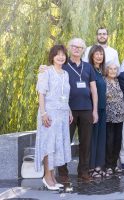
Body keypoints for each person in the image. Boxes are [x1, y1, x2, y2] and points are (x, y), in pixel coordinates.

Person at [58, 38, 98, 182]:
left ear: (83, 50)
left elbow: (94, 90)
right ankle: (63, 172)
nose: (76, 49)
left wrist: (95, 111)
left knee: (85, 142)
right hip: (67, 110)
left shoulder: (88, 67)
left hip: (87, 109)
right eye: (74, 46)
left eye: (80, 47)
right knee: (65, 141)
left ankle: (83, 171)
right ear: (69, 48)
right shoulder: (63, 65)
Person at [35, 45, 72, 190]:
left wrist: (68, 110)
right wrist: (43, 113)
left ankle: (53, 176)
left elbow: (65, 96)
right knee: (48, 144)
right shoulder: (46, 71)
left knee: (56, 146)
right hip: (49, 113)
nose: (61, 57)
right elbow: (41, 93)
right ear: (52, 56)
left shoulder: (65, 74)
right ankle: (46, 176)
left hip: (62, 114)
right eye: (58, 55)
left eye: (63, 54)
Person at [88, 45, 107, 178]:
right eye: (97, 54)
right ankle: (91, 167)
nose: (99, 56)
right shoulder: (89, 69)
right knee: (92, 138)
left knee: (101, 138)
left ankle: (99, 165)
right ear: (92, 55)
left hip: (102, 108)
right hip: (92, 109)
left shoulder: (100, 70)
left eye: (101, 54)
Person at [105, 64, 124, 174]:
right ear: (106, 70)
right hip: (109, 117)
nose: (113, 71)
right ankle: (108, 165)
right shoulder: (103, 81)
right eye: (110, 69)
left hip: (120, 116)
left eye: (115, 69)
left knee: (118, 141)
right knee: (109, 141)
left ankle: (114, 164)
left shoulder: (119, 81)